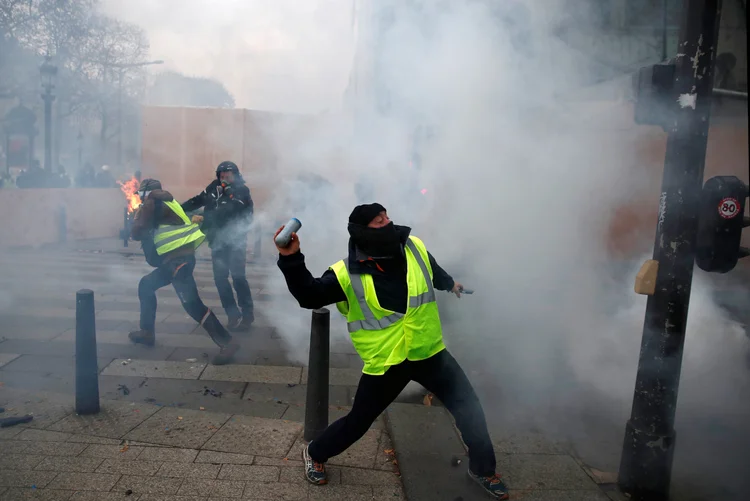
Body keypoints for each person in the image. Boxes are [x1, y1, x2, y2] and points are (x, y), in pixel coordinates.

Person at [274, 202, 509, 500]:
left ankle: (484, 470)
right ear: (362, 232)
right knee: (358, 422)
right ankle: (315, 452)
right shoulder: (345, 274)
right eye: (377, 221)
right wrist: (291, 258)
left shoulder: (414, 247)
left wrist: (451, 284)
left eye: (386, 217)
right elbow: (309, 295)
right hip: (388, 362)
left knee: (470, 409)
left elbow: (433, 271)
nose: (386, 224)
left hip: (430, 353)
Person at [129, 178, 239, 365]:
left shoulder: (152, 202)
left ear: (147, 192)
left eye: (140, 194)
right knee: (146, 285)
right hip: (176, 260)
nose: (139, 198)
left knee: (192, 304)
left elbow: (137, 231)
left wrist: (136, 218)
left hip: (177, 262)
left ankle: (228, 343)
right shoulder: (168, 201)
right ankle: (147, 332)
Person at [182, 161, 255, 331]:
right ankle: (232, 314)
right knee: (220, 278)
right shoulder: (214, 187)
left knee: (238, 277)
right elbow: (199, 200)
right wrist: (179, 208)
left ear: (235, 175)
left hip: (236, 240)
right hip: (217, 240)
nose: (224, 178)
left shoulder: (241, 190)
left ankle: (247, 314)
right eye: (221, 175)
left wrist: (204, 216)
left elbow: (231, 210)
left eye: (228, 175)